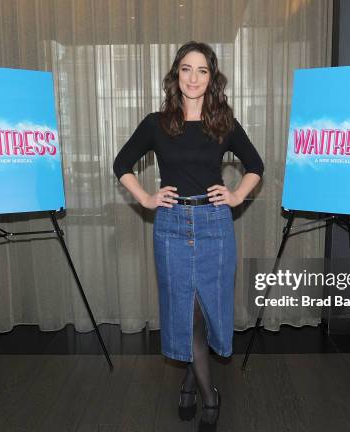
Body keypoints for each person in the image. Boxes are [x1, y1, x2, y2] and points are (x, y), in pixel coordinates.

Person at [113, 41, 263, 431]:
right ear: (175, 75)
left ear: (211, 78)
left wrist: (234, 195)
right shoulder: (156, 124)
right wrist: (146, 196)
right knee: (185, 311)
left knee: (205, 311)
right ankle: (209, 395)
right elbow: (121, 163)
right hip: (171, 227)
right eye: (186, 69)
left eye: (202, 70)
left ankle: (190, 383)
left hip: (215, 226)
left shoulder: (223, 123)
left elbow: (256, 166)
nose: (193, 78)